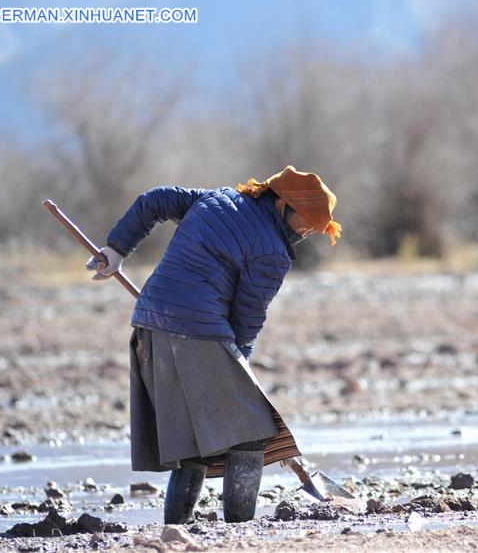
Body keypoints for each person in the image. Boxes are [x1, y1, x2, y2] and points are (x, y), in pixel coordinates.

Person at [86, 166, 341, 524]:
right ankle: (239, 527)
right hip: (199, 332)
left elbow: (155, 200)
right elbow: (247, 318)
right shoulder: (272, 252)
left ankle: (176, 529)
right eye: (307, 222)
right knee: (252, 435)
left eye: (315, 227)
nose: (307, 231)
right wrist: (241, 362)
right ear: (282, 204)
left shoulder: (216, 199)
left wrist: (116, 249)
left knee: (191, 443)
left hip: (148, 324)